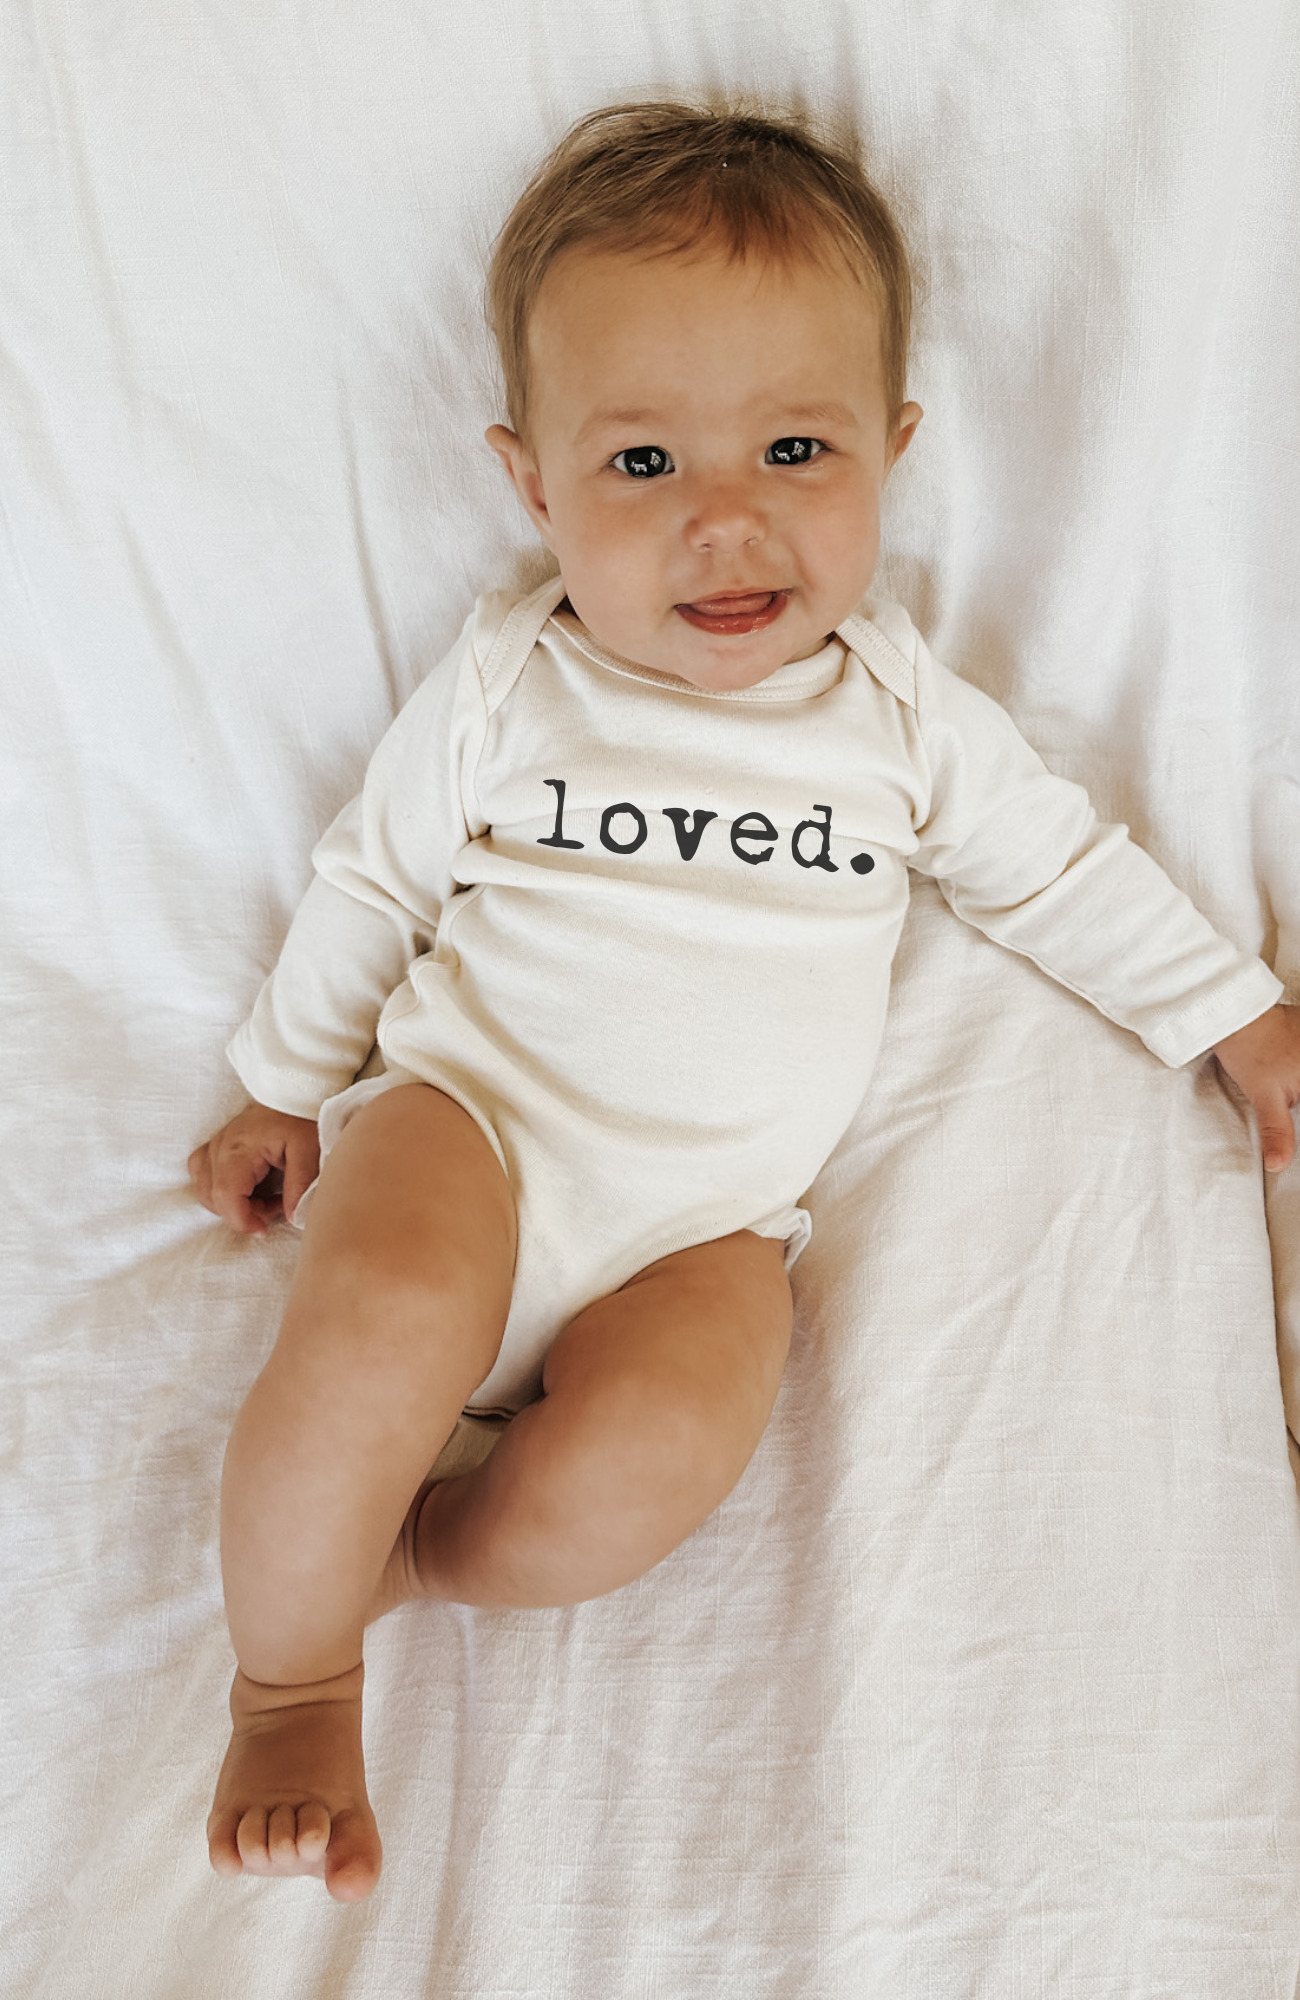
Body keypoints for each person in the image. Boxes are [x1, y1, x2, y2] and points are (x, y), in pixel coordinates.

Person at [190, 102, 1300, 1902]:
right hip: (473, 1124)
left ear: (893, 451)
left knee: (669, 1452)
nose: (725, 520)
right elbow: (372, 881)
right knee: (382, 1310)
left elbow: (1058, 872)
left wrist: (1233, 1021)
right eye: (642, 465)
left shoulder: (902, 716)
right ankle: (294, 1683)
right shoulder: (513, 680)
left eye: (796, 448)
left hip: (701, 1232)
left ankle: (419, 1553)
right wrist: (280, 1084)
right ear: (533, 487)